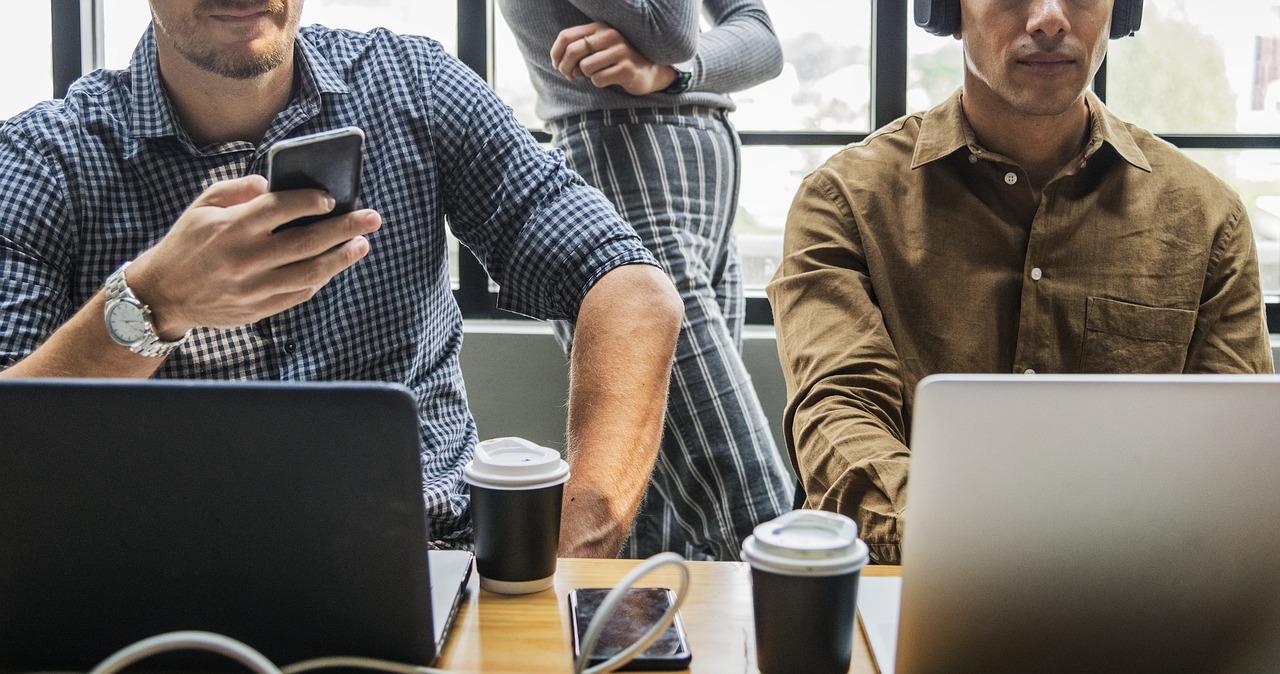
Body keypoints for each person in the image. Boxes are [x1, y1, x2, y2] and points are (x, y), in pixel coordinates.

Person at [0, 0, 685, 559]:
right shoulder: (43, 160)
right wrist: (150, 305)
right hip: (155, 590)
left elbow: (630, 287)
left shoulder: (412, 86)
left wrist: (575, 553)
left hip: (429, 563)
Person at [767, 0, 1275, 564]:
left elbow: (1235, 465)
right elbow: (840, 416)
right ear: (946, 9)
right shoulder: (843, 201)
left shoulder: (1206, 218)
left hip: (1140, 599)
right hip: (920, 583)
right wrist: (980, 547)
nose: (1049, 19)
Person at [497, 0, 795, 561]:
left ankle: (628, 649)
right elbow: (672, 27)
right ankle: (823, 647)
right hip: (620, 160)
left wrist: (673, 74)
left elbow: (761, 39)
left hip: (707, 186)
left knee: (662, 523)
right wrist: (674, 57)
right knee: (754, 510)